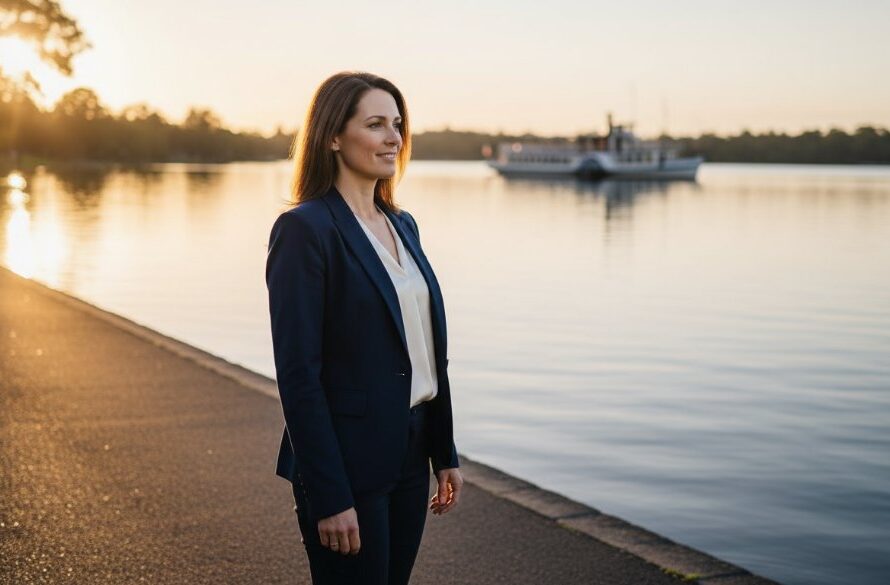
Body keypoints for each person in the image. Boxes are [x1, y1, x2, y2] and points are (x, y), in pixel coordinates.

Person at [265, 71, 463, 585]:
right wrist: (330, 495)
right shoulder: (304, 230)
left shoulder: (403, 224)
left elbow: (426, 351)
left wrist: (444, 451)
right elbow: (298, 376)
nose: (394, 137)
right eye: (375, 124)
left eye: (397, 124)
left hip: (411, 451)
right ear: (333, 135)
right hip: (346, 461)